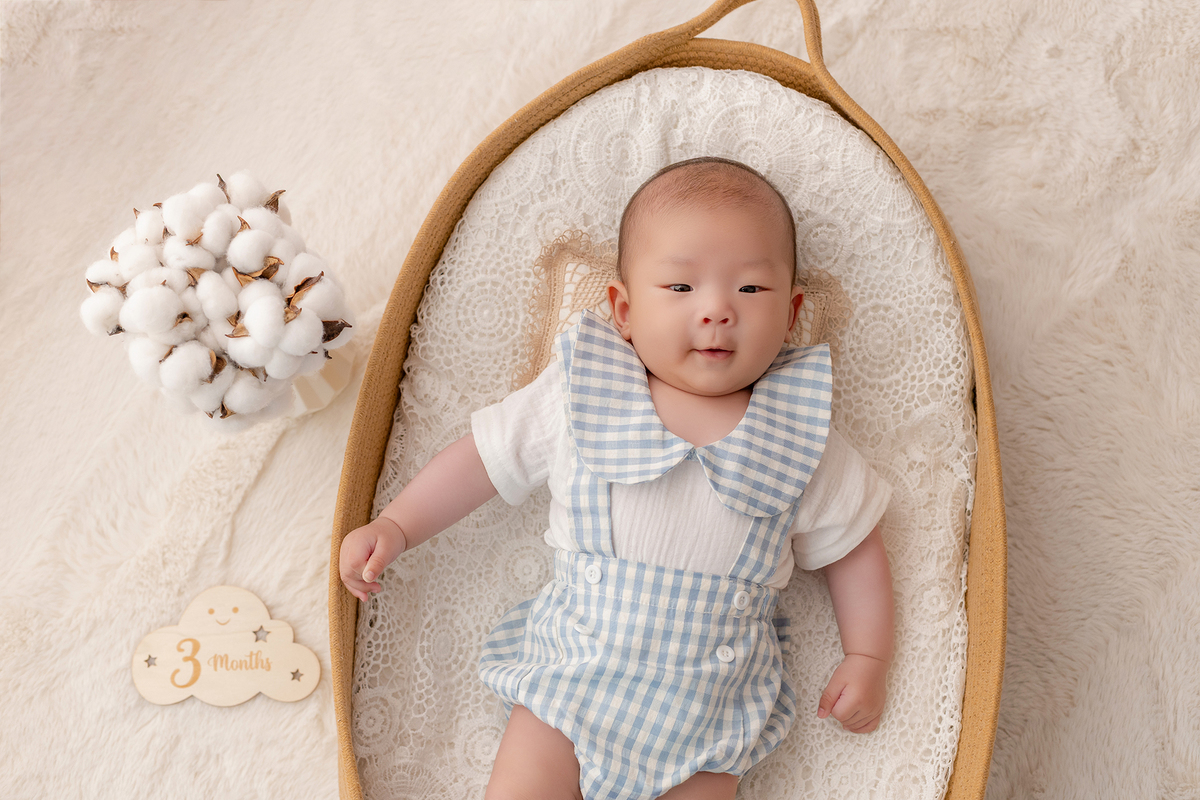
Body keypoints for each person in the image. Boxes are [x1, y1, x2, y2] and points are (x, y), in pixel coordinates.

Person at [340, 157, 895, 800]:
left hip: (707, 713)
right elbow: (484, 459)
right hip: (571, 678)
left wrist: (867, 656)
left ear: (792, 312)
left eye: (750, 289)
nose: (717, 310)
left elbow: (854, 549)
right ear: (624, 310)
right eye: (680, 287)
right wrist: (398, 523)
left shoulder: (800, 434)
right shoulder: (583, 394)